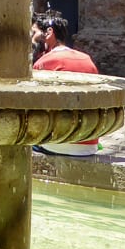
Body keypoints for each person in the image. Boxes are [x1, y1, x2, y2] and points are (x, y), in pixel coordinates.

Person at [31, 12, 101, 156]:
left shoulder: (45, 62)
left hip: (58, 144)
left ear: (49, 32)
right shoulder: (87, 59)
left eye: (34, 33)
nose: (31, 39)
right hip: (90, 144)